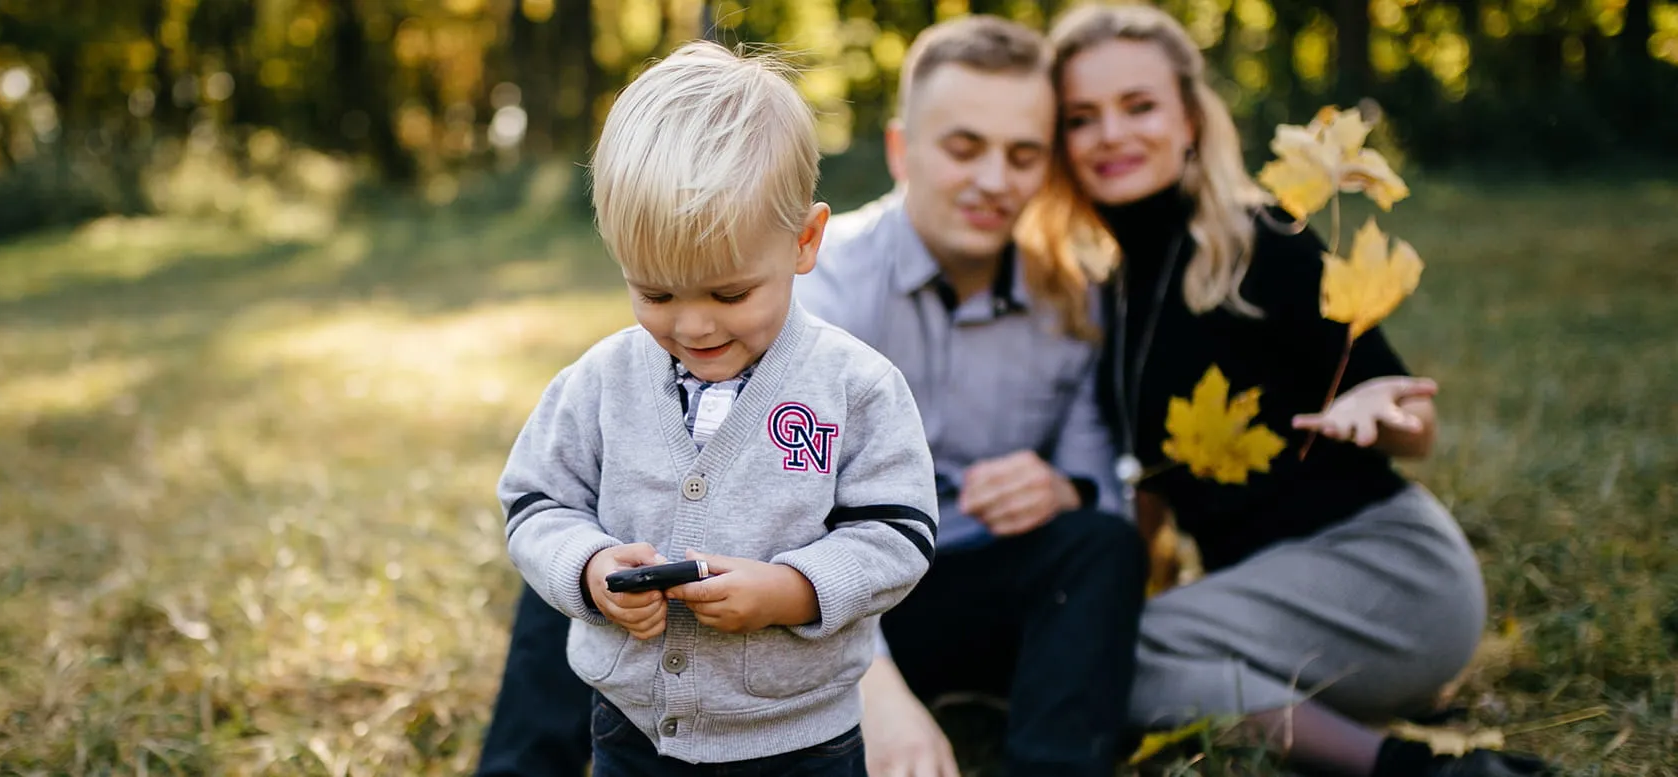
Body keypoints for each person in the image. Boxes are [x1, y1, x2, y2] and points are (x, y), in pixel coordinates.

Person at [475, 15, 1148, 777]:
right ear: (903, 149)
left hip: (935, 573)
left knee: (1103, 548)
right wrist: (878, 693)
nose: (993, 178)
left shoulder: (1077, 300)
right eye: (964, 147)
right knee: (594, 535)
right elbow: (554, 496)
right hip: (766, 600)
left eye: (1023, 155)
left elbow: (1098, 499)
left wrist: (1066, 486)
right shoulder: (805, 282)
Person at [1015, 4, 1553, 776]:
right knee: (1097, 642)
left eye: (1139, 106)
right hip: (1275, 594)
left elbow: (1416, 419)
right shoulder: (1115, 288)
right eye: (1082, 117)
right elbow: (1152, 498)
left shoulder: (1260, 242)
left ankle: (1422, 769)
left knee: (1118, 657)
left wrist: (1377, 409)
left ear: (1191, 119)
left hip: (1390, 569)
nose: (1112, 134)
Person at [497, 38, 940, 775]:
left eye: (730, 293)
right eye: (656, 293)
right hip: (635, 734)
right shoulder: (600, 380)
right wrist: (589, 567)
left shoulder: (855, 386)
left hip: (801, 738)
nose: (695, 325)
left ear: (805, 240)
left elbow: (898, 533)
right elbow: (535, 502)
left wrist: (793, 590)